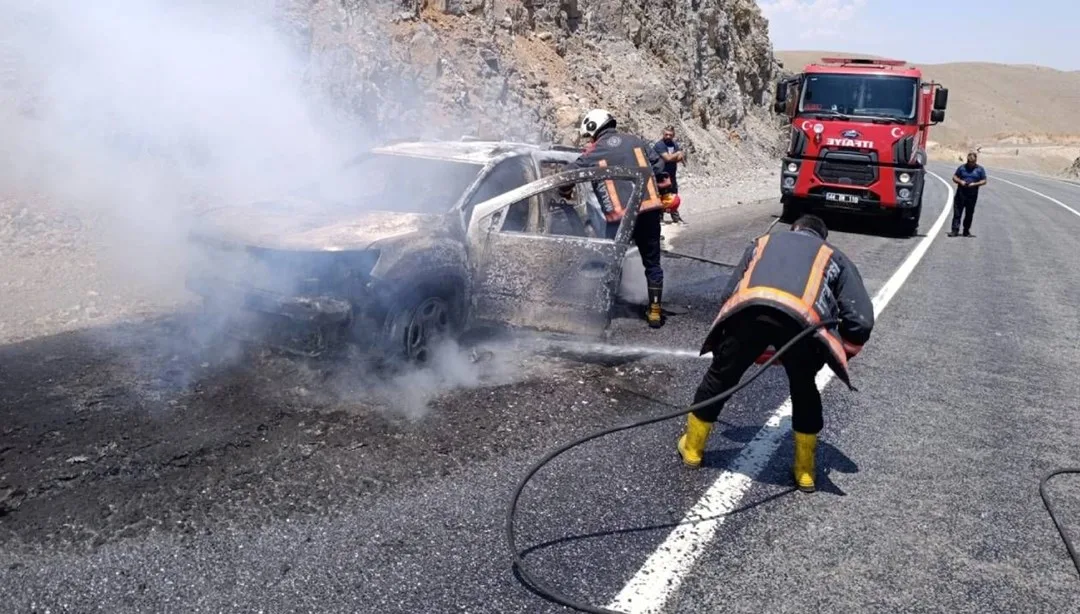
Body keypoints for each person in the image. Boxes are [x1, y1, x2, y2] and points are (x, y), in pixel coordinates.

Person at [675, 214, 875, 493]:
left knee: (720, 376)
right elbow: (861, 321)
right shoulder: (835, 257)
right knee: (804, 389)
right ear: (821, 238)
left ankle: (693, 449)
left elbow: (727, 294)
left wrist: (739, 344)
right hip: (800, 325)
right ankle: (805, 471)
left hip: (748, 314)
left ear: (794, 229)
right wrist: (840, 350)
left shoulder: (762, 242)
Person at [561, 109, 669, 328]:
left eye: (589, 135)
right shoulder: (636, 141)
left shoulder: (595, 150)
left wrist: (564, 191)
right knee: (652, 263)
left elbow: (570, 173)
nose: (590, 140)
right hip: (648, 211)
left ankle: (606, 307)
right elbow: (659, 166)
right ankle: (655, 310)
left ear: (594, 128)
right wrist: (662, 187)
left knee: (611, 262)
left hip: (620, 218)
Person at [949, 152, 988, 237]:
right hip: (961, 193)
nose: (971, 164)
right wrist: (960, 181)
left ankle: (966, 230)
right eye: (970, 162)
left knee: (969, 213)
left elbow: (984, 180)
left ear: (975, 161)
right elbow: (954, 177)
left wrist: (974, 184)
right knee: (957, 212)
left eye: (973, 162)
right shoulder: (962, 168)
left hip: (972, 195)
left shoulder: (980, 169)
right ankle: (955, 230)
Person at [653, 126, 686, 224]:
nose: (668, 136)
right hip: (661, 174)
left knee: (673, 195)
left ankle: (676, 217)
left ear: (673, 135)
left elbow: (680, 158)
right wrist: (677, 154)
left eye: (670, 135)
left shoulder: (674, 144)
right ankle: (660, 218)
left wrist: (675, 156)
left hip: (672, 174)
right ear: (663, 134)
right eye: (666, 134)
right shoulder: (659, 145)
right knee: (661, 196)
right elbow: (667, 158)